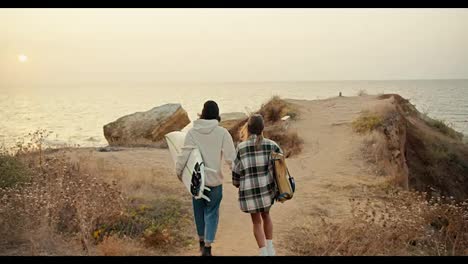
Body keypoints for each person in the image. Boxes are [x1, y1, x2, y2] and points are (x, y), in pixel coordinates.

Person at [176, 100, 236, 256]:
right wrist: (237, 174)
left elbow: (184, 155)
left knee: (199, 212)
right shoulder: (222, 132)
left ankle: (202, 241)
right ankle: (208, 247)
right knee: (212, 212)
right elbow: (231, 158)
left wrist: (179, 172)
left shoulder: (192, 132)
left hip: (196, 182)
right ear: (217, 114)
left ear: (202, 113)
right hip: (215, 181)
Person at [232, 114, 282, 256]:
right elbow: (281, 169)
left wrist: (237, 183)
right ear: (262, 128)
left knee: (256, 222)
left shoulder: (241, 148)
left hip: (250, 193)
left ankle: (263, 251)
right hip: (267, 191)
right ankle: (271, 248)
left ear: (248, 128)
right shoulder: (273, 145)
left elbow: (236, 171)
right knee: (266, 216)